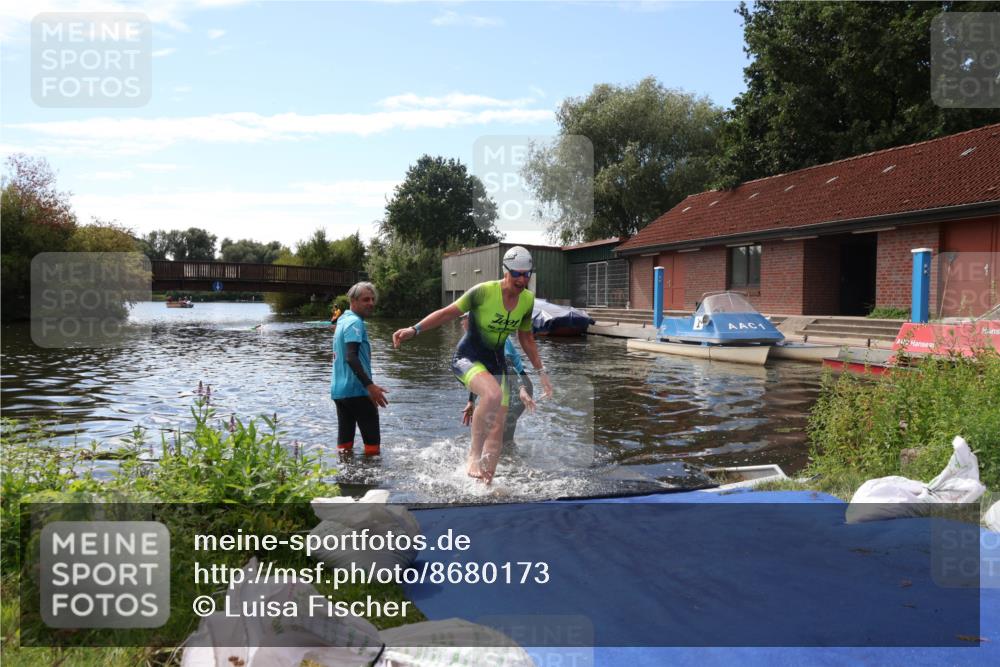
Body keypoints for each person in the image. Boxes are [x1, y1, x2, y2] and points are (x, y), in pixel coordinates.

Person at [393, 246, 553, 484]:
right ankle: (473, 455)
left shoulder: (527, 301)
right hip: (467, 358)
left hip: (496, 363)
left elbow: (526, 338)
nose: (522, 279)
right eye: (517, 273)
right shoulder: (483, 292)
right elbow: (447, 313)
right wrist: (414, 329)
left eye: (527, 274)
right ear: (506, 270)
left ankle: (485, 482)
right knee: (492, 394)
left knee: (498, 425)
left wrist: (541, 372)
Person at [460, 316, 536, 450]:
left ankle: (512, 465)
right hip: (503, 386)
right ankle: (507, 461)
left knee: (501, 433)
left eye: (466, 318)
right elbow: (480, 375)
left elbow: (508, 364)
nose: (461, 322)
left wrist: (521, 390)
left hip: (517, 387)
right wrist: (471, 401)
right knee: (494, 431)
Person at [331, 282, 388, 456]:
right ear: (353, 301)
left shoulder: (342, 321)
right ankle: (370, 482)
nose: (371, 303)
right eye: (365, 300)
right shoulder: (355, 323)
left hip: (340, 392)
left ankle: (343, 480)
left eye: (372, 299)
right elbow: (351, 357)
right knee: (372, 448)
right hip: (359, 392)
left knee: (344, 445)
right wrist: (370, 386)